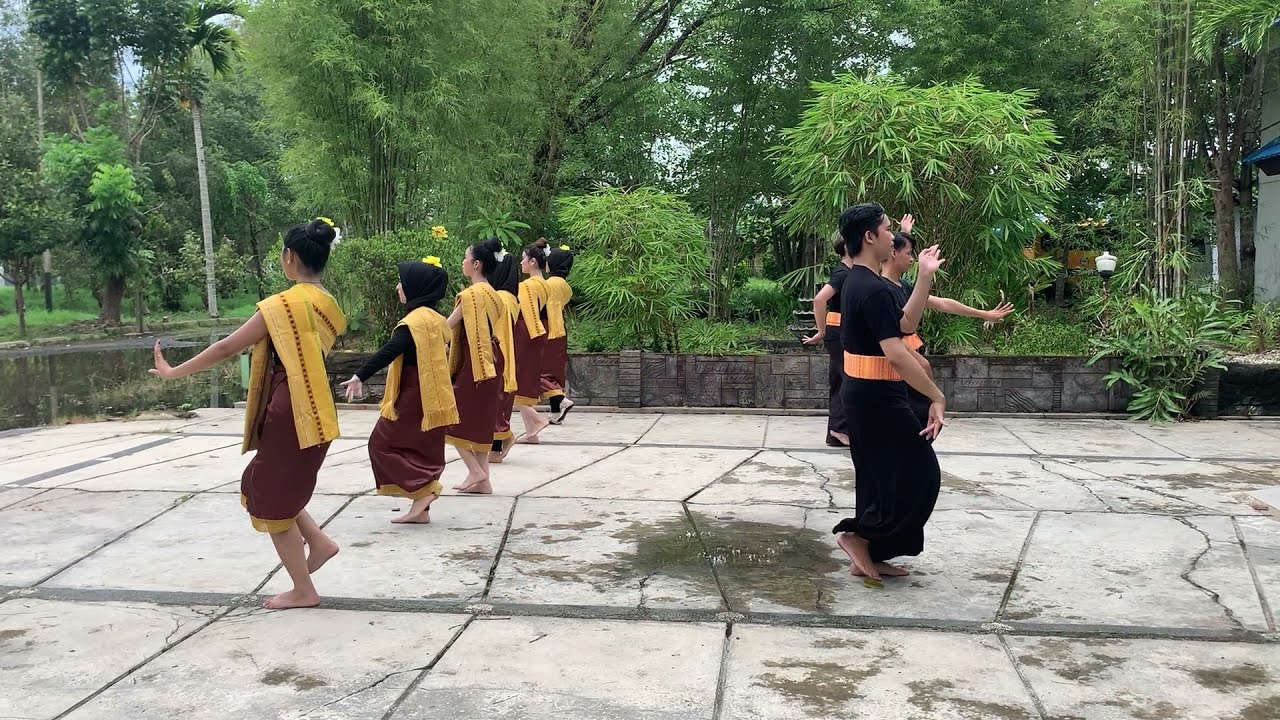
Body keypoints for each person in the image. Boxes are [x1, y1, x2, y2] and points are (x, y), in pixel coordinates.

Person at [150, 218, 346, 610]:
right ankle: (319, 543)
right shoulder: (328, 305)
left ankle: (304, 590)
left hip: (288, 408)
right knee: (276, 482)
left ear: (289, 257)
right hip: (317, 407)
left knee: (269, 493)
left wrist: (174, 371)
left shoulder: (282, 305)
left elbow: (226, 348)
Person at [830, 203, 947, 583]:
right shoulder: (870, 288)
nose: (892, 237)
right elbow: (897, 352)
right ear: (869, 237)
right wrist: (936, 397)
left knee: (878, 475)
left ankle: (870, 549)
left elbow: (907, 322)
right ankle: (861, 536)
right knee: (922, 474)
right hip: (877, 398)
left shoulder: (861, 284)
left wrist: (925, 276)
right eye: (886, 231)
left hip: (865, 396)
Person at [340, 258, 457, 523]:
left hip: (413, 393)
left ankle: (424, 489)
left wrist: (360, 376)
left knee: (380, 445)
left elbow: (389, 352)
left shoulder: (414, 323)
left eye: (402, 283)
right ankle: (420, 510)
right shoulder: (438, 320)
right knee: (421, 448)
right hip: (435, 393)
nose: (397, 287)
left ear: (415, 287)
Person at [446, 238, 516, 494]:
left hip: (476, 363)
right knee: (482, 421)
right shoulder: (494, 295)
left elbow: (448, 326)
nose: (463, 262)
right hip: (493, 358)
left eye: (466, 258)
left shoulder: (470, 295)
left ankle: (475, 471)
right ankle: (484, 480)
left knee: (450, 417)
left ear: (476, 264)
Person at [803, 231, 854, 447]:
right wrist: (821, 331)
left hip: (841, 330)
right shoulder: (842, 273)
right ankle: (841, 429)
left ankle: (835, 433)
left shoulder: (852, 271)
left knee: (839, 380)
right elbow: (819, 298)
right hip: (838, 331)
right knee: (849, 379)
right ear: (847, 247)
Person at [508, 244, 552, 448]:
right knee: (524, 381)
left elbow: (528, 312)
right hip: (540, 330)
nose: (521, 262)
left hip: (527, 332)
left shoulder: (527, 285)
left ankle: (535, 420)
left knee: (513, 380)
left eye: (524, 259)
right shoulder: (545, 284)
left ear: (533, 261)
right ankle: (531, 431)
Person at [486, 249, 522, 463]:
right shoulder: (511, 298)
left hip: (500, 356)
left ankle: (499, 444)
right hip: (507, 356)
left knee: (495, 405)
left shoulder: (500, 299)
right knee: (498, 405)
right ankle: (496, 446)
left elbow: (498, 333)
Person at [538, 240, 575, 425]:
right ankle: (555, 413)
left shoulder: (549, 283)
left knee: (538, 371)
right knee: (554, 372)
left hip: (547, 329)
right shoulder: (565, 286)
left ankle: (561, 400)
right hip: (560, 330)